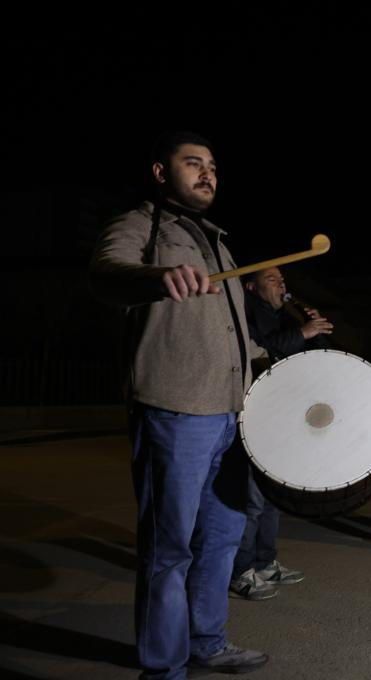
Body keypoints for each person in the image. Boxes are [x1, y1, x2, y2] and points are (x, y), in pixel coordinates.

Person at [89, 131, 269, 678]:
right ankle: (164, 667)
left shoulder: (220, 243)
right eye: (193, 163)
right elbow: (105, 273)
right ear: (161, 172)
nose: (208, 172)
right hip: (173, 410)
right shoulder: (141, 225)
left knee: (221, 540)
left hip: (230, 415)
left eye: (212, 165)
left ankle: (206, 641)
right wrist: (157, 275)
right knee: (169, 548)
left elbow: (235, 336)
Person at [228, 266, 332, 599]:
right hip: (256, 411)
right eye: (271, 279)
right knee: (251, 499)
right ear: (251, 287)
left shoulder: (288, 317)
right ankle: (241, 570)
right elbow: (260, 350)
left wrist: (314, 326)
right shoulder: (244, 313)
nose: (280, 284)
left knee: (273, 495)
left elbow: (316, 350)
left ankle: (265, 561)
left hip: (283, 412)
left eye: (282, 280)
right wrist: (302, 331)